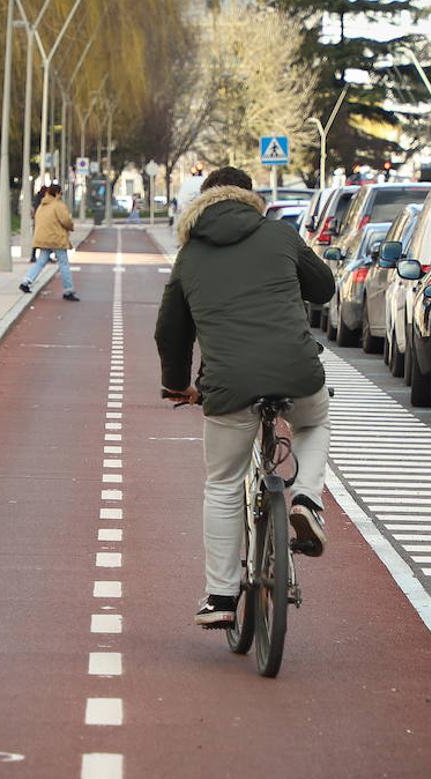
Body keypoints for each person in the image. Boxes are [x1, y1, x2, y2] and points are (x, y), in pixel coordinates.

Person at [154, 166, 334, 628]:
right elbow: (325, 288)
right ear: (249, 199)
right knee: (312, 423)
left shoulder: (190, 255)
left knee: (223, 483)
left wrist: (178, 384)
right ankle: (307, 501)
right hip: (296, 370)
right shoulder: (279, 234)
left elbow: (170, 331)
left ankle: (221, 597)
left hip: (228, 384)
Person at [19, 184, 77, 301]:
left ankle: (26, 281)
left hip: (43, 238)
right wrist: (71, 227)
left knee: (41, 261)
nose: (61, 196)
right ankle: (68, 290)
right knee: (63, 263)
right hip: (56, 238)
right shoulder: (58, 205)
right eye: (60, 193)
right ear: (56, 193)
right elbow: (65, 220)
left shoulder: (42, 205)